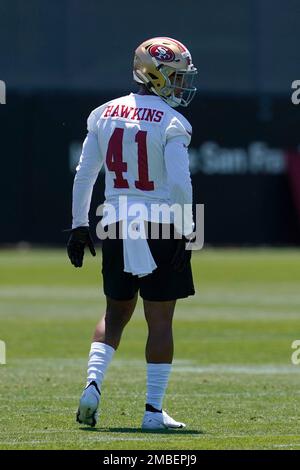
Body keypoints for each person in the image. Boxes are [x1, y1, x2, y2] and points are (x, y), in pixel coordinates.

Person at [67, 37, 197, 430]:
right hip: (160, 223)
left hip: (117, 222)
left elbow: (85, 174)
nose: (180, 86)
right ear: (154, 75)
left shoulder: (104, 113)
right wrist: (187, 228)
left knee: (115, 312)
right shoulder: (174, 122)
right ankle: (153, 413)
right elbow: (179, 184)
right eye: (174, 78)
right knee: (160, 321)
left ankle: (93, 385)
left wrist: (78, 225)